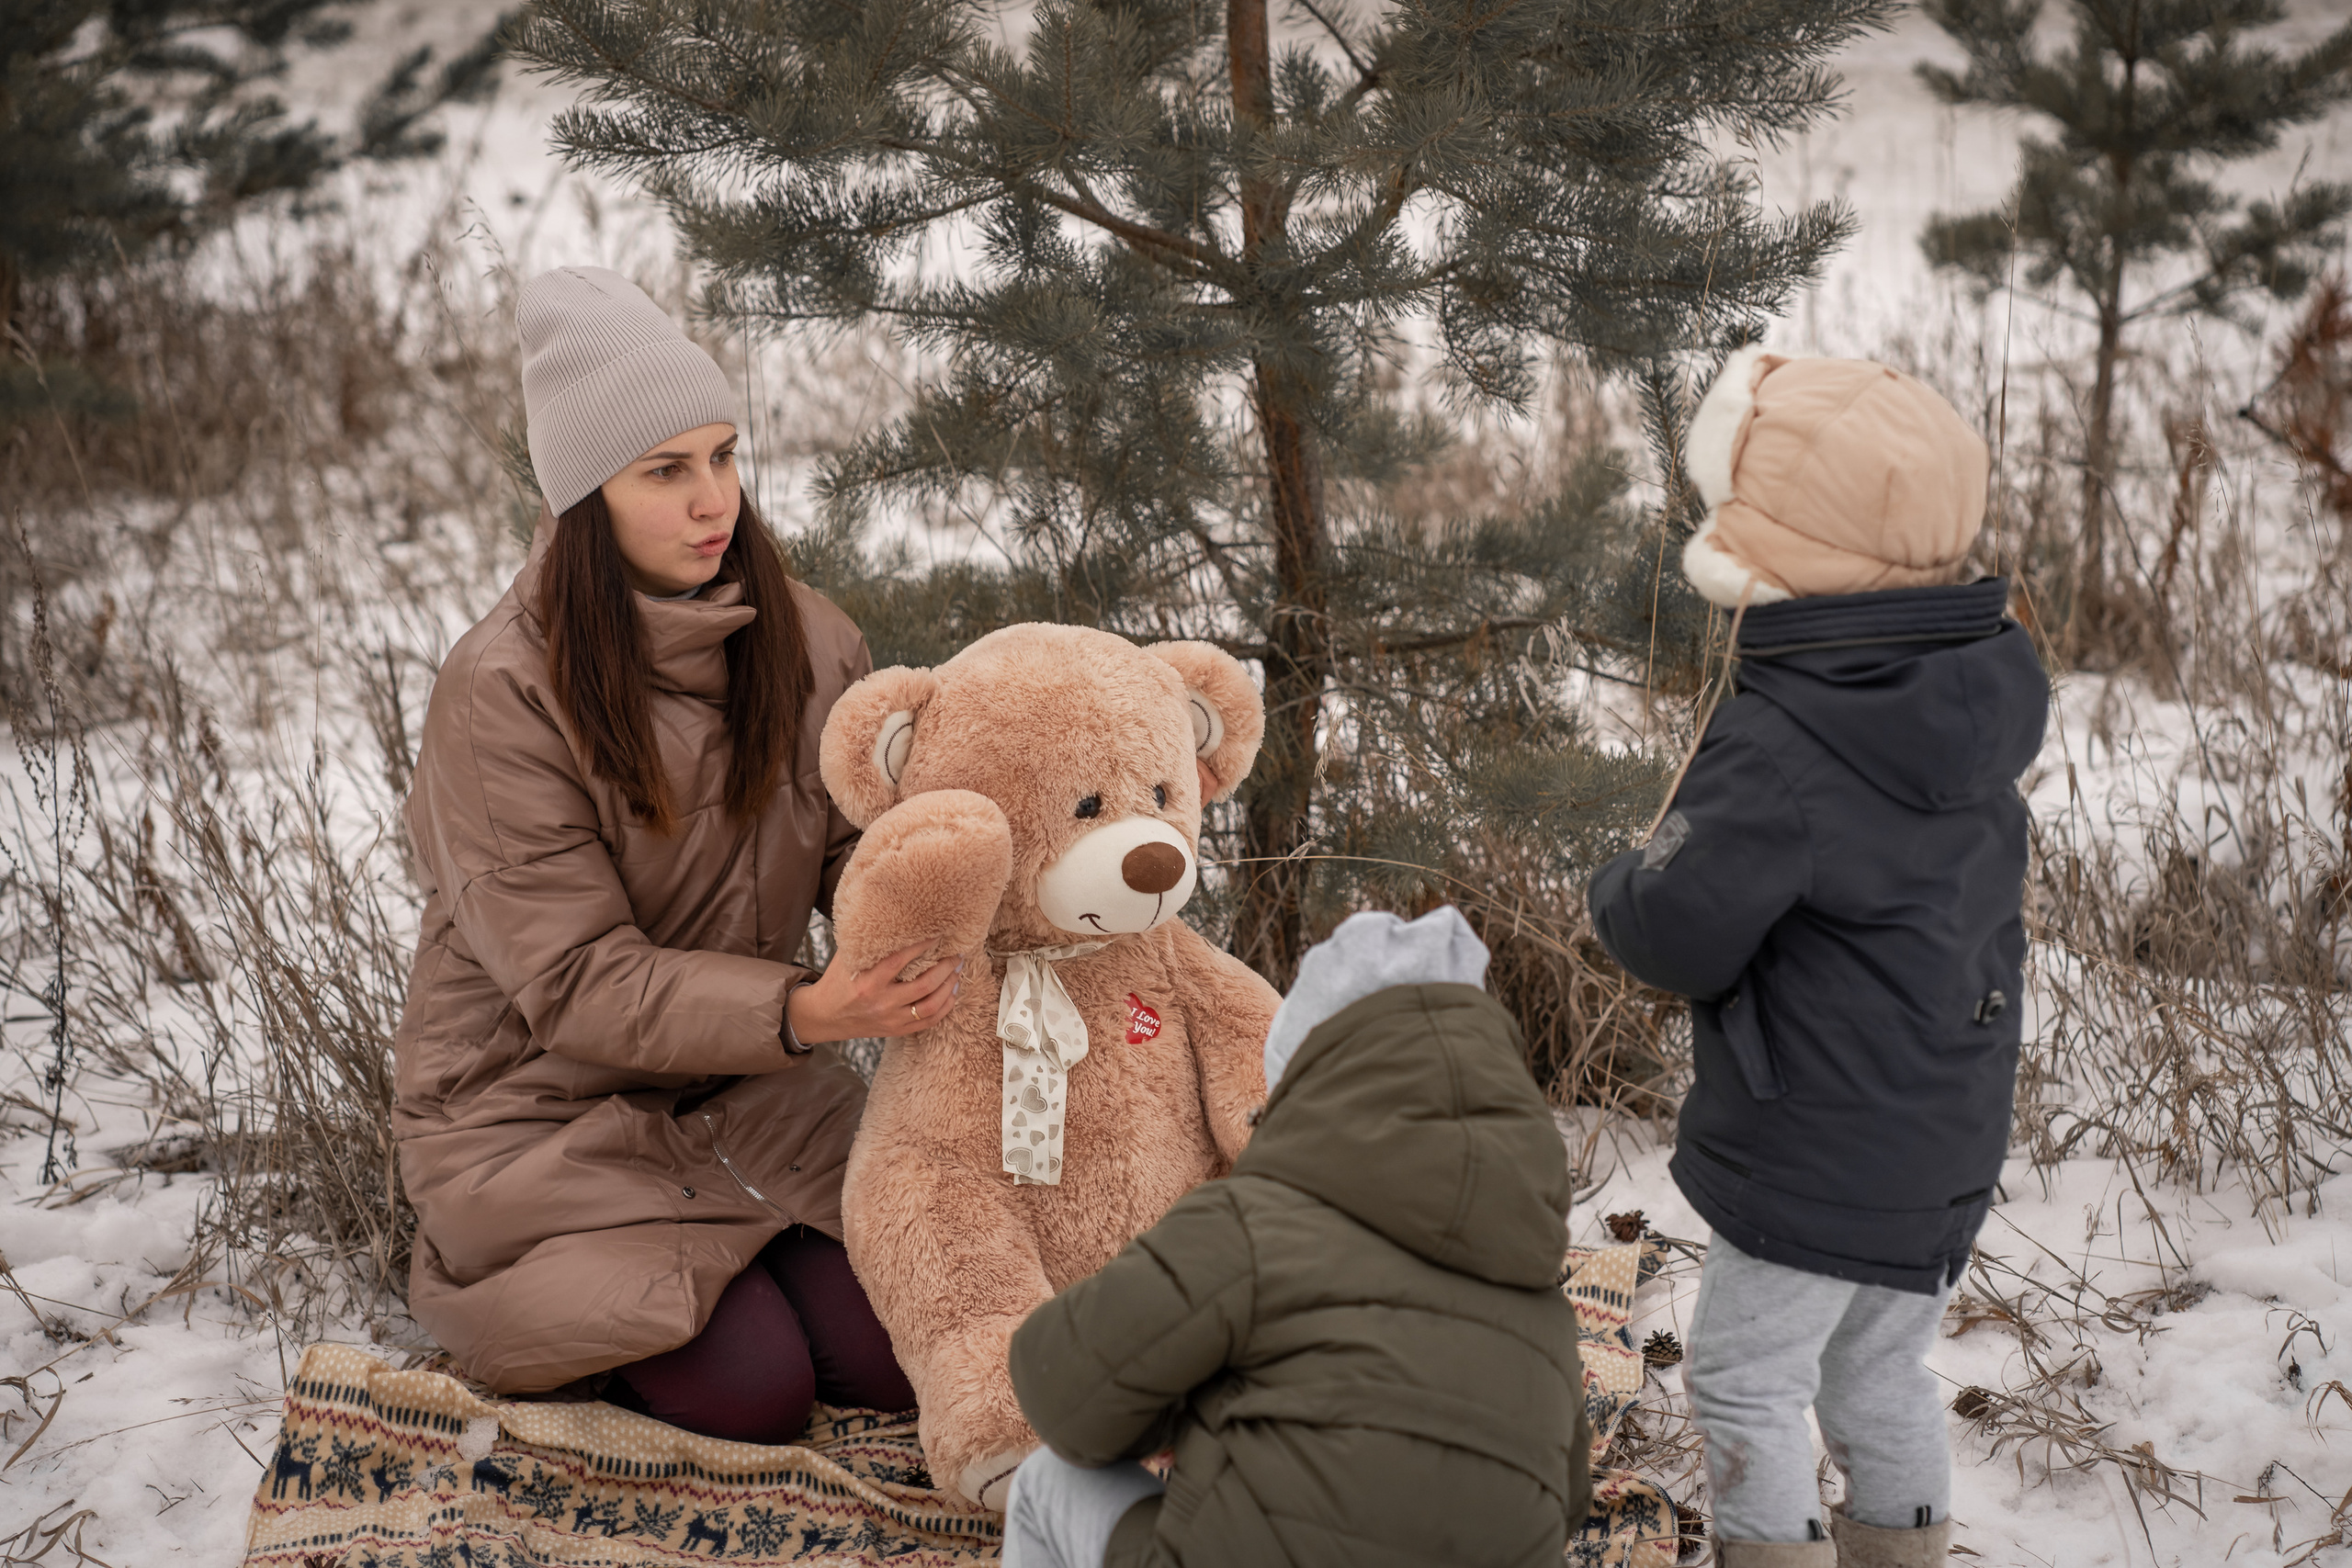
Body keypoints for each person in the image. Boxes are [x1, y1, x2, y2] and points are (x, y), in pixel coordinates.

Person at [391, 265, 957, 1443]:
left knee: (898, 1348)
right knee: (755, 1391)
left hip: (749, 1091)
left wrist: (947, 902)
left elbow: (868, 858)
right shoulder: (501, 692)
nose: (714, 502)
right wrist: (806, 1007)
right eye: (665, 471)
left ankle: (758, 1259)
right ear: (583, 497)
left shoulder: (808, 642)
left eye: (723, 456)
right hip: (536, 1120)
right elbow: (576, 983)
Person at [1587, 347, 2050, 1568]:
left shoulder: (1782, 740)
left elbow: (1674, 926)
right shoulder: (1971, 707)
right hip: (1941, 1137)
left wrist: (1619, 881)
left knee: (1743, 1378)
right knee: (1880, 1364)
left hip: (1812, 1146)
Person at [998, 907, 1591, 1568]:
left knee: (1048, 1483)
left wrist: (1186, 1413)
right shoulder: (1542, 1303)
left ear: (1307, 1080)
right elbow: (1563, 1503)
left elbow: (1058, 1388)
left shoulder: (1249, 1224)